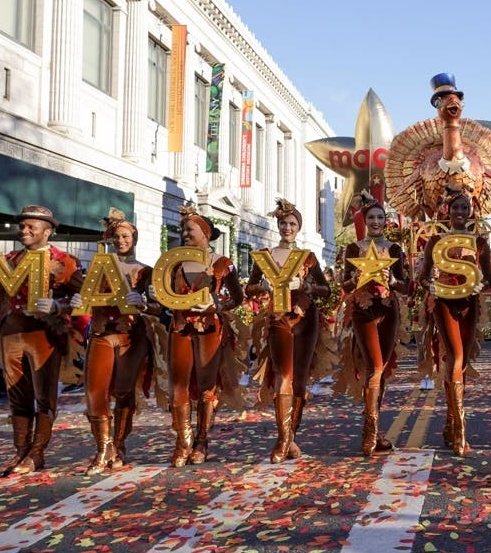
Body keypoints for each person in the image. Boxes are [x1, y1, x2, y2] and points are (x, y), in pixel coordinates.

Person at [0, 205, 85, 475]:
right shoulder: (9, 259)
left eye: (30, 227)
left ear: (47, 232)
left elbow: (85, 298)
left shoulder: (64, 262)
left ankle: (37, 453)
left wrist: (58, 307)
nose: (23, 231)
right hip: (11, 334)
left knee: (43, 396)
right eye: (22, 226)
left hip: (44, 336)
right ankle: (20, 451)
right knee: (16, 396)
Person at [69, 209, 156, 472]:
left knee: (123, 391)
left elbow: (158, 307)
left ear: (135, 238)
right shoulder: (97, 270)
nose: (121, 240)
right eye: (116, 236)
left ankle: (119, 444)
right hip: (101, 334)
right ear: (110, 238)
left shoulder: (146, 271)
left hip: (132, 336)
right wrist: (73, 303)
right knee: (95, 392)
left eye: (126, 236)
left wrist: (143, 303)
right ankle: (103, 447)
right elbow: (80, 298)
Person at [247, 199, 331, 462]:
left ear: (298, 227)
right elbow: (248, 289)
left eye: (292, 223)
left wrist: (307, 288)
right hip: (277, 318)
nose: (287, 227)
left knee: (300, 381)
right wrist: (263, 287)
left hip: (305, 319)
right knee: (283, 376)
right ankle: (283, 441)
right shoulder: (266, 256)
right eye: (283, 223)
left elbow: (325, 289)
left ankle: (290, 435)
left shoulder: (308, 257)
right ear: (278, 225)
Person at [161, 207, 244, 466]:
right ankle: (183, 441)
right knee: (178, 385)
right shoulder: (172, 262)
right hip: (180, 327)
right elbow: (160, 292)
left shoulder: (222, 262)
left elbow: (238, 298)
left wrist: (216, 304)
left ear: (206, 233)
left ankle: (202, 440)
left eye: (190, 229)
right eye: (183, 229)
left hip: (210, 329)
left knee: (207, 385)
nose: (185, 233)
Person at [419, 185, 491, 457]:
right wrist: (432, 287)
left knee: (460, 364)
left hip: (469, 304)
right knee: (456, 356)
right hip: (444, 303)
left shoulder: (480, 241)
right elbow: (423, 276)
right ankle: (461, 431)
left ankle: (451, 423)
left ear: (471, 210)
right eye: (455, 208)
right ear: (447, 211)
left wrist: (480, 286)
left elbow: (490, 278)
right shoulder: (437, 240)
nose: (460, 212)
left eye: (464, 207)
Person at [337, 194, 410, 455]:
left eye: (380, 217)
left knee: (381, 370)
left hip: (389, 311)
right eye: (371, 218)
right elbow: (342, 285)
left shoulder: (394, 249)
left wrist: (393, 282)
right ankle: (369, 433)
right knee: (375, 366)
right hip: (362, 312)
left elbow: (407, 286)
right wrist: (354, 277)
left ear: (386, 221)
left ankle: (376, 432)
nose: (376, 222)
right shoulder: (353, 249)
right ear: (365, 221)